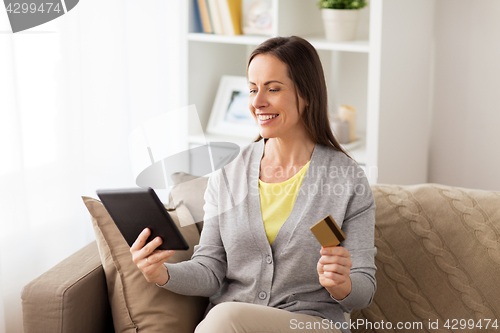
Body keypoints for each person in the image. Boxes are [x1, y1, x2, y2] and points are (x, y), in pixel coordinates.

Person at [130, 36, 376, 333]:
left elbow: (364, 289)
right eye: (252, 89)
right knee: (224, 318)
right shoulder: (228, 171)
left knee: (223, 319)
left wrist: (342, 283)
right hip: (233, 324)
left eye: (273, 89)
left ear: (307, 94)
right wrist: (161, 273)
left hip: (309, 324)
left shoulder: (347, 178)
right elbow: (210, 269)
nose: (257, 102)